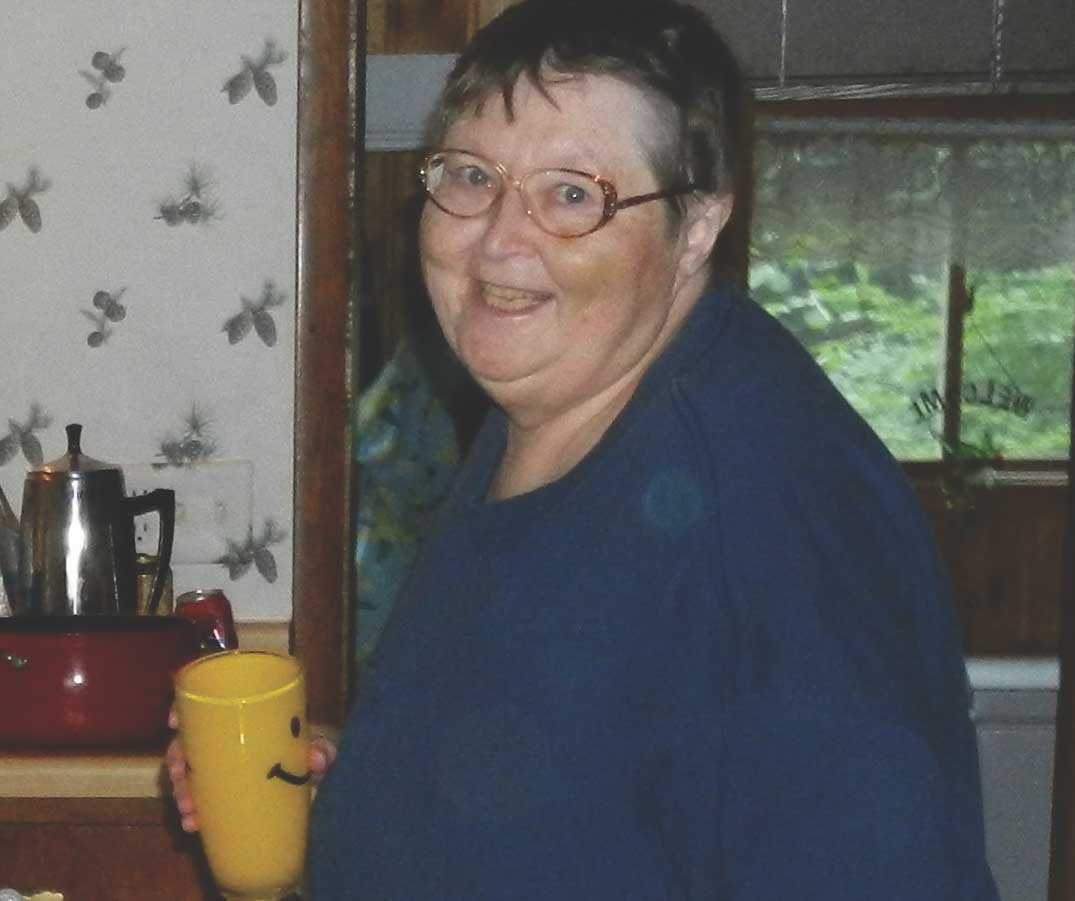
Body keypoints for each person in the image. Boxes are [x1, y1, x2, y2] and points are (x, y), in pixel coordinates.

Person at [169, 0, 1000, 896]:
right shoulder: (547, 404)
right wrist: (361, 783)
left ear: (697, 226)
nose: (498, 240)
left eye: (573, 193)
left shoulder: (766, 527)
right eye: (472, 176)